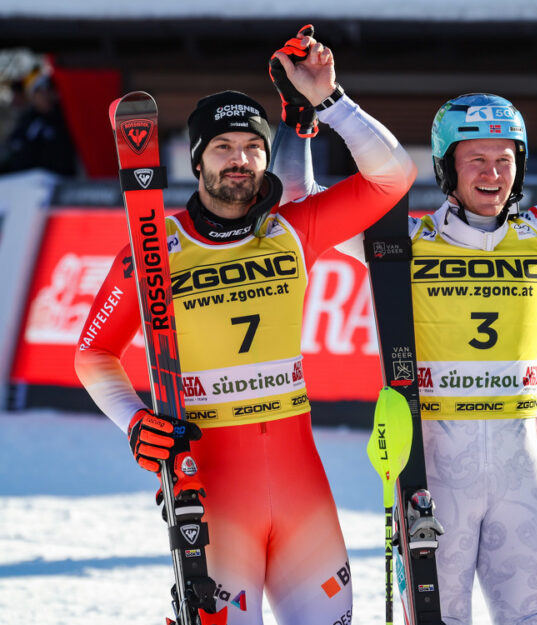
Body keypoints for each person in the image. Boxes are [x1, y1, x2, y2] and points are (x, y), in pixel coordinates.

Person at [272, 81, 537, 621]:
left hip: (519, 462)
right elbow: (300, 203)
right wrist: (300, 120)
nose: (492, 173)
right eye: (476, 159)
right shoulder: (405, 240)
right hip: (433, 469)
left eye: (505, 159)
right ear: (446, 167)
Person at [74, 29, 416, 625]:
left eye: (253, 147)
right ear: (198, 159)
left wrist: (330, 100)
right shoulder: (156, 246)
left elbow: (393, 176)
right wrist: (134, 421)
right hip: (211, 490)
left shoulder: (291, 228)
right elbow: (93, 353)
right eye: (224, 147)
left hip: (301, 488)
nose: (240, 159)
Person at [0, 71, 77, 176]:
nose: (46, 97)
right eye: (40, 93)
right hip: (26, 180)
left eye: (49, 91)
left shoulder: (65, 120)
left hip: (59, 180)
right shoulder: (26, 122)